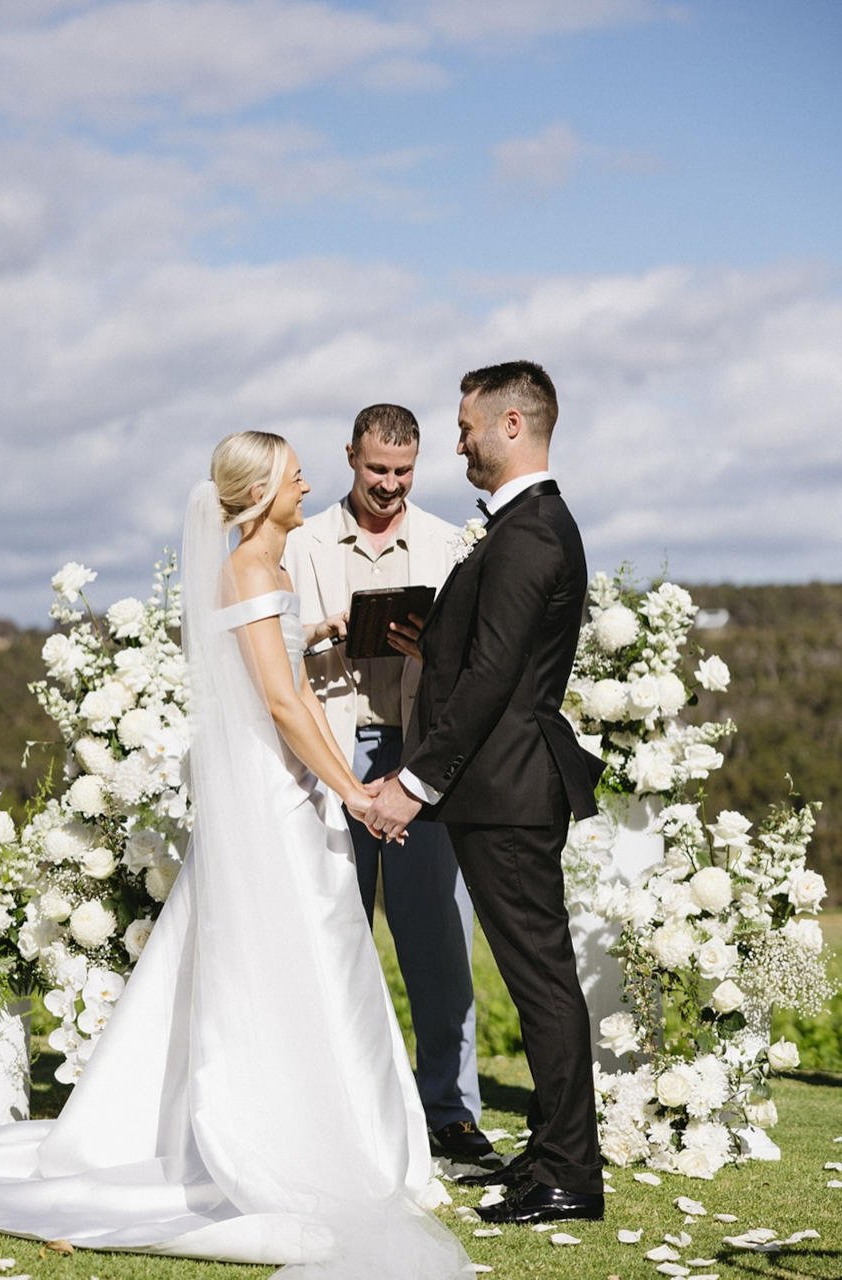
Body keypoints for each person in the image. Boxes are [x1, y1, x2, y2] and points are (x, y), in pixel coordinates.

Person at [0, 432, 468, 1278]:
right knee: (291, 955)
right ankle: (281, 1133)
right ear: (264, 489)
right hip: (277, 800)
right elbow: (279, 702)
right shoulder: (245, 570)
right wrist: (353, 790)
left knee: (324, 955)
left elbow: (290, 678)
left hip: (296, 790)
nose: (308, 482)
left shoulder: (269, 573)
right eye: (295, 474)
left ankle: (350, 1129)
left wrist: (319, 661)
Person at [364, 362, 606, 1227]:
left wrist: (414, 785)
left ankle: (571, 1173)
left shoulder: (531, 531)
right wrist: (434, 640)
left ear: (511, 424)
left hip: (507, 788)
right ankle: (553, 1149)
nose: (458, 439)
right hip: (503, 786)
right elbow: (490, 655)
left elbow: (498, 680)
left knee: (539, 981)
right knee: (536, 975)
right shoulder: (521, 527)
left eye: (466, 426)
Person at [285, 404, 493, 1169]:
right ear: (350, 457)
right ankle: (336, 1114)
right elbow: (270, 656)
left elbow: (477, 662)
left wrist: (426, 647)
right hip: (328, 759)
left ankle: (452, 1113)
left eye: (403, 473)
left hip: (420, 757)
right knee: (332, 941)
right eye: (377, 470)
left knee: (439, 945)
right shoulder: (301, 544)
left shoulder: (447, 542)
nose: (389, 485)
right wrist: (325, 631)